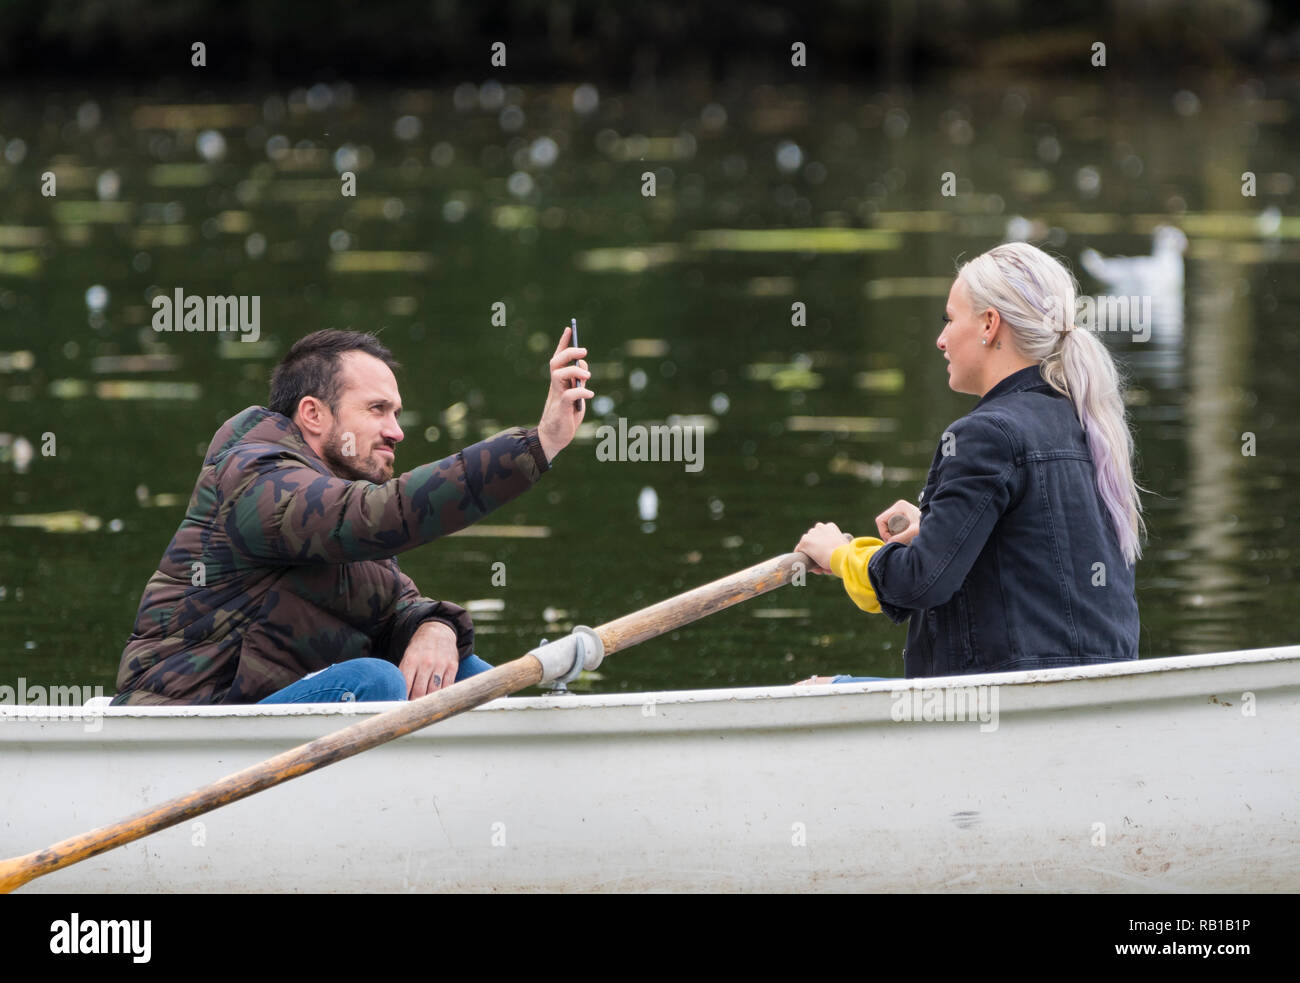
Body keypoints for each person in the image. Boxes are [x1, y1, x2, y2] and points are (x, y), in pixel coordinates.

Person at [112, 327, 592, 705]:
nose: (396, 431)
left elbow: (395, 608)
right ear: (314, 414)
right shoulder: (256, 480)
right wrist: (537, 445)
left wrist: (436, 629)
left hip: (268, 719)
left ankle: (511, 785)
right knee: (374, 681)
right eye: (378, 410)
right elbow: (375, 516)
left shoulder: (341, 499)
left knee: (468, 679)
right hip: (193, 723)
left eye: (396, 413)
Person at [794, 242, 1142, 681]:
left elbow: (921, 583)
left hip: (1003, 706)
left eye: (949, 319)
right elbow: (1033, 555)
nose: (940, 339)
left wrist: (842, 554)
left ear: (989, 325)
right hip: (1095, 693)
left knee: (812, 692)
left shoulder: (984, 434)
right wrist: (936, 525)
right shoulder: (1089, 423)